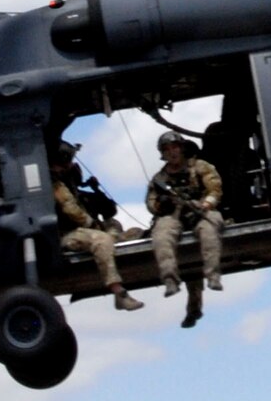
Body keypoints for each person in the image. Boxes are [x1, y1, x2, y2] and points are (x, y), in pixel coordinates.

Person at [50, 142, 141, 312]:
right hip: (66, 235)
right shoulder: (55, 185)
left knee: (123, 229)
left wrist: (95, 188)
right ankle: (119, 292)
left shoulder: (71, 185)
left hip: (83, 231)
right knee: (102, 239)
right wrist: (92, 224)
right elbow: (70, 209)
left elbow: (109, 211)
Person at [147, 132, 224, 325]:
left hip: (200, 210)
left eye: (175, 147)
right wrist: (161, 204)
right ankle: (170, 280)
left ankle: (213, 276)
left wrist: (204, 205)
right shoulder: (160, 178)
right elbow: (151, 202)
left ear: (182, 148)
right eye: (167, 149)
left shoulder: (200, 167)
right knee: (161, 235)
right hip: (174, 216)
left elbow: (215, 189)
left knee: (209, 229)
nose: (172, 152)